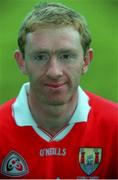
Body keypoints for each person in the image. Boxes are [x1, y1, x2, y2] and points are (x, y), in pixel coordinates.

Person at [0, 2, 117, 179]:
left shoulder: (115, 125)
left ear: (85, 61)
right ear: (21, 62)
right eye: (40, 57)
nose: (54, 72)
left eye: (66, 56)